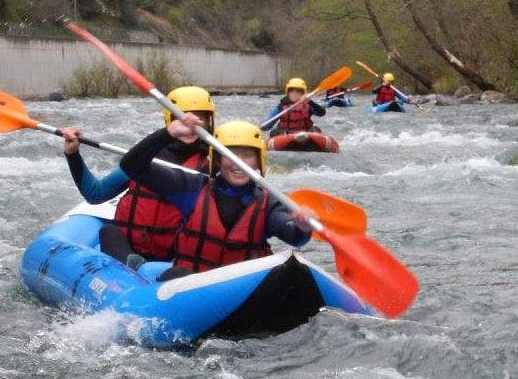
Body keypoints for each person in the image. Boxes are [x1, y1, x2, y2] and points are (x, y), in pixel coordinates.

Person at [120, 117, 313, 281]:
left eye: (247, 155)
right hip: (188, 286)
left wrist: (301, 226)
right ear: (218, 160)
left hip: (240, 292)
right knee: (175, 274)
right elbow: (131, 165)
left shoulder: (267, 202)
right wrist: (168, 133)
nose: (239, 163)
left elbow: (292, 234)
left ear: (258, 161)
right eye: (231, 155)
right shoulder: (190, 188)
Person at [62, 86, 215, 268]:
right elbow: (95, 193)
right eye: (183, 118)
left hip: (173, 256)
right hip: (129, 250)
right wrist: (73, 155)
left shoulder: (214, 166)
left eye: (200, 119)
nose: (191, 127)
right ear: (170, 120)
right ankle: (134, 265)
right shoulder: (142, 158)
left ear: (209, 122)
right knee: (109, 232)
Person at [261, 78, 326, 137]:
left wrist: (310, 102)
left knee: (316, 129)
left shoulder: (308, 105)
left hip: (305, 135)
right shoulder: (281, 106)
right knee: (274, 132)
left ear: (303, 93)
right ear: (288, 92)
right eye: (291, 91)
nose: (294, 93)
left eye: (298, 91)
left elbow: (322, 113)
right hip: (285, 135)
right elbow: (267, 126)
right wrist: (261, 127)